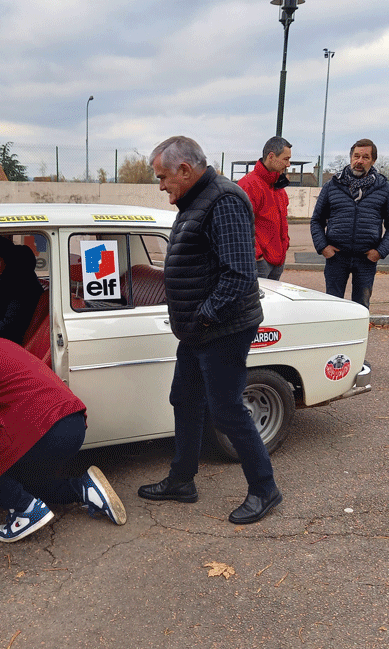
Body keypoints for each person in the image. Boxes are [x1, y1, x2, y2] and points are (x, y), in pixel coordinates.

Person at [138, 136, 282, 525]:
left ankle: (265, 489)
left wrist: (202, 316)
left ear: (185, 170)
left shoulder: (224, 200)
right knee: (183, 399)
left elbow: (238, 273)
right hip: (198, 331)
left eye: (163, 176)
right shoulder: (195, 201)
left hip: (221, 329)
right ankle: (182, 480)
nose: (162, 185)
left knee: (227, 410)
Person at [0, 325, 126, 542]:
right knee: (29, 483)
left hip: (45, 430)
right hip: (73, 421)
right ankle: (83, 489)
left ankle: (24, 509)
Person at [309, 138, 389, 309]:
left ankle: (358, 336)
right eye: (356, 156)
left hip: (366, 260)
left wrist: (380, 252)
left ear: (373, 161)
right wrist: (323, 247)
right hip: (336, 258)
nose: (360, 161)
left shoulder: (385, 188)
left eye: (365, 157)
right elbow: (316, 220)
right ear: (351, 157)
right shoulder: (332, 186)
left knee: (360, 308)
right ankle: (334, 336)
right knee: (332, 306)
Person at [238, 136, 292, 280]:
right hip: (260, 262)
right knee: (257, 301)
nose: (288, 164)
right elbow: (241, 225)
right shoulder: (248, 185)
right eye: (285, 159)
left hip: (277, 260)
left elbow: (282, 221)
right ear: (271, 156)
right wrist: (257, 256)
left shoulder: (278, 186)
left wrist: (285, 244)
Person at [0, 236, 44, 345]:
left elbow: (10, 325)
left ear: (7, 260)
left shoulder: (21, 285)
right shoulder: (0, 283)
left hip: (8, 342)